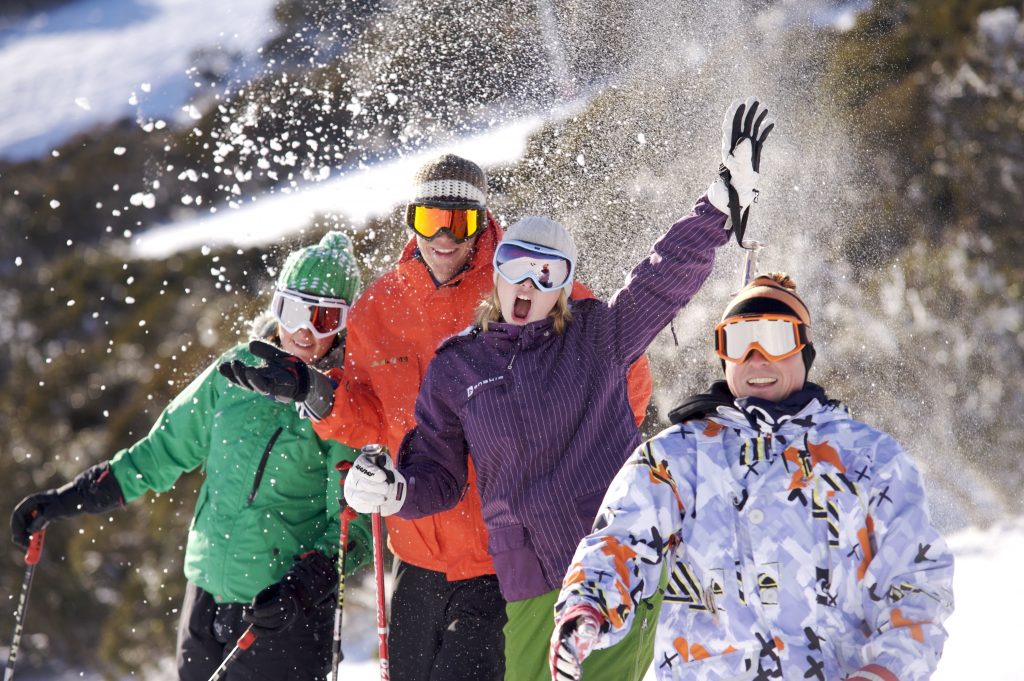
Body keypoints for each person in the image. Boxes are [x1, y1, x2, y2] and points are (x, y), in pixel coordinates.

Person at [341, 97, 774, 681]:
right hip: (525, 583)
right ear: (495, 274)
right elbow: (436, 477)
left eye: (548, 274)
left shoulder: (598, 336)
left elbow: (662, 275)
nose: (529, 283)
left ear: (567, 287)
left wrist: (719, 205)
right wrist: (394, 492)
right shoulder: (458, 367)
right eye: (517, 266)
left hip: (611, 567)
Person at [219, 153, 654, 681]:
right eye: (430, 220)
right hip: (417, 548)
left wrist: (576, 460)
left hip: (506, 560)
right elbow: (368, 415)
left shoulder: (521, 281)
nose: (444, 237)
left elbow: (623, 372)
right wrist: (312, 391)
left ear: (480, 222)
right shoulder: (380, 306)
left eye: (461, 222)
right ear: (411, 219)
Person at [549, 272, 956, 681]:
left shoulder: (869, 459)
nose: (757, 358)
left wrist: (885, 670)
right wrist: (585, 609)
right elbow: (618, 542)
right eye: (740, 342)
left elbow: (917, 584)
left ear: (805, 349)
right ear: (723, 355)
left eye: (776, 339)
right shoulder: (677, 458)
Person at [10, 232, 372, 681]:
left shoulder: (347, 406)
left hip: (281, 617)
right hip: (205, 600)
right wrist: (67, 499)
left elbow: (359, 522)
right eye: (294, 311)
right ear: (275, 307)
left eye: (323, 318)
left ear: (344, 324)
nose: (304, 331)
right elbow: (161, 452)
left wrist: (307, 584)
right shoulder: (234, 374)